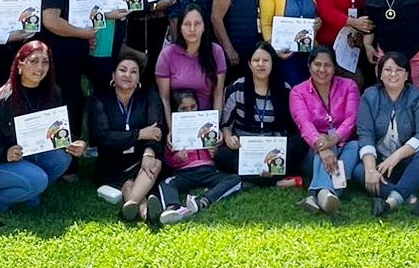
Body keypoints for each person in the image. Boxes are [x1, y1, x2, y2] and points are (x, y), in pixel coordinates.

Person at [0, 41, 86, 223]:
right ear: (20, 65)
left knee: (62, 159)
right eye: (34, 61)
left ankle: (27, 190)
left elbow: (60, 129)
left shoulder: (53, 93)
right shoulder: (0, 97)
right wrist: (3, 153)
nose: (40, 67)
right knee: (39, 179)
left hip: (27, 156)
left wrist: (78, 142)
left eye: (45, 62)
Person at [351, 54, 419, 215]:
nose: (393, 74)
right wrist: (371, 170)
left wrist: (396, 156)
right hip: (381, 162)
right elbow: (365, 135)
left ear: (406, 75)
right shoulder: (369, 96)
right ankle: (410, 195)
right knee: (359, 171)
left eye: (399, 70)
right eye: (388, 70)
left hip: (407, 161)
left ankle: (391, 201)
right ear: (380, 74)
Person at [88, 55, 165, 224]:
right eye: (122, 70)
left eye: (133, 72)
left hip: (140, 157)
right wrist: (140, 134)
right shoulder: (100, 98)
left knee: (154, 163)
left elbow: (157, 128)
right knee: (127, 184)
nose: (127, 75)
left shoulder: (148, 95)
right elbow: (102, 137)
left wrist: (149, 152)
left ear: (138, 79)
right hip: (112, 161)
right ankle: (144, 209)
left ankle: (131, 206)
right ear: (113, 76)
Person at [37, 0, 100, 135]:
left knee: (75, 104)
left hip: (73, 60)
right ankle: (66, 160)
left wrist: (87, 35)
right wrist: (83, 33)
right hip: (58, 59)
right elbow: (51, 20)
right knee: (66, 108)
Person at [217, 42, 306, 181]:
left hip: (275, 148)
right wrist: (228, 138)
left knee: (299, 144)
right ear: (249, 64)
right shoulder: (236, 88)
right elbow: (226, 124)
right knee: (222, 155)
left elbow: (291, 127)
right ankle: (275, 180)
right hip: (244, 148)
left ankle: (252, 176)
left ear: (272, 63)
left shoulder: (285, 89)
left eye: (265, 60)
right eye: (256, 60)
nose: (260, 64)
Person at [154, 88, 243, 226]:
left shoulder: (206, 126)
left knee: (235, 179)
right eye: (184, 109)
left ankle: (203, 201)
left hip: (208, 170)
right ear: (176, 111)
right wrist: (177, 158)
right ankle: (173, 207)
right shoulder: (173, 133)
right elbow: (168, 159)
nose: (190, 111)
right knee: (166, 183)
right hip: (185, 172)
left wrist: (215, 152)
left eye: (193, 107)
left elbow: (220, 154)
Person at [291, 47, 360, 215]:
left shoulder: (349, 86)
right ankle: (325, 193)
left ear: (335, 67)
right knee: (324, 138)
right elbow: (304, 124)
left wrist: (334, 139)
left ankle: (319, 194)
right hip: (313, 152)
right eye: (317, 64)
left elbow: (352, 118)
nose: (322, 70)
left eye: (327, 65)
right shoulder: (297, 92)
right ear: (309, 66)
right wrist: (323, 145)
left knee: (356, 146)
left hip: (343, 145)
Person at [155, 6, 229, 122]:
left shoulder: (216, 52)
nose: (192, 29)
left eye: (197, 24)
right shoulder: (167, 54)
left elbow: (218, 94)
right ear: (180, 28)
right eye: (187, 24)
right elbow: (164, 99)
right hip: (178, 122)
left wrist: (216, 126)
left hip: (207, 121)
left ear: (204, 27)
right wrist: (171, 131)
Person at [260, 0, 319, 87]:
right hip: (284, 54)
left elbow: (317, 13)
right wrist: (274, 48)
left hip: (309, 52)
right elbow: (266, 24)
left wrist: (319, 22)